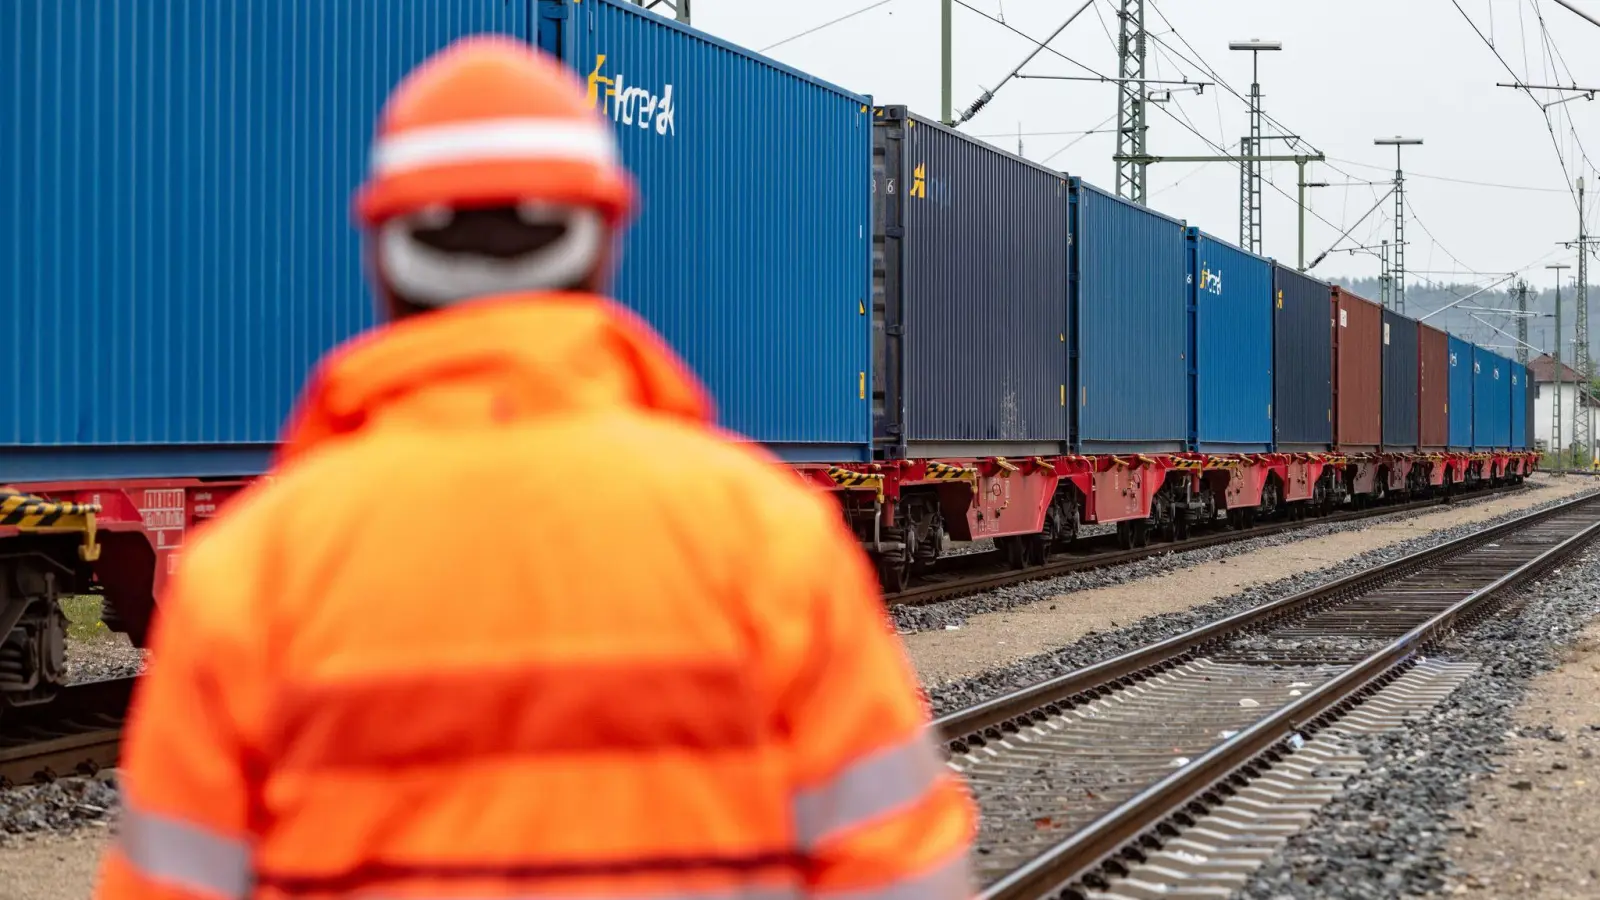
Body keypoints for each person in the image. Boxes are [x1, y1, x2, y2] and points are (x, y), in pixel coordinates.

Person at [94, 34, 976, 900]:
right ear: (603, 239)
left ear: (382, 248)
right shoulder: (768, 539)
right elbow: (900, 873)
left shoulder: (249, 575)